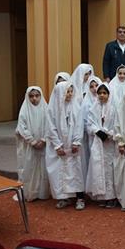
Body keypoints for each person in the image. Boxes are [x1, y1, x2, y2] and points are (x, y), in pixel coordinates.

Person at [45, 82, 86, 210]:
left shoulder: (76, 106)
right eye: (67, 91)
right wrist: (57, 145)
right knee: (60, 172)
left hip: (73, 147)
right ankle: (64, 198)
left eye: (71, 91)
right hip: (60, 147)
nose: (70, 94)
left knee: (76, 171)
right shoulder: (52, 109)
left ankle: (80, 198)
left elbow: (79, 125)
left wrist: (76, 141)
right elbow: (50, 128)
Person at [16, 86, 50, 201]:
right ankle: (31, 193)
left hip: (43, 145)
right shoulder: (24, 110)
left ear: (41, 96)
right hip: (29, 146)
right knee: (30, 169)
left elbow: (50, 125)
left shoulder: (46, 109)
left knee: (43, 169)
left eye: (37, 95)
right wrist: (32, 141)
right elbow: (22, 127)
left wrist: (44, 140)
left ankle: (43, 193)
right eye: (31, 96)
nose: (34, 98)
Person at [85, 83, 117, 207]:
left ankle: (112, 197)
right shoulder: (93, 108)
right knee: (98, 168)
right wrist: (97, 131)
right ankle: (102, 196)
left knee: (110, 169)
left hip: (110, 143)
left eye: (104, 93)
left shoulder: (114, 108)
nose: (102, 95)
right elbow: (89, 123)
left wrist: (109, 133)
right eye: (100, 93)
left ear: (109, 94)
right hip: (98, 142)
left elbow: (117, 124)